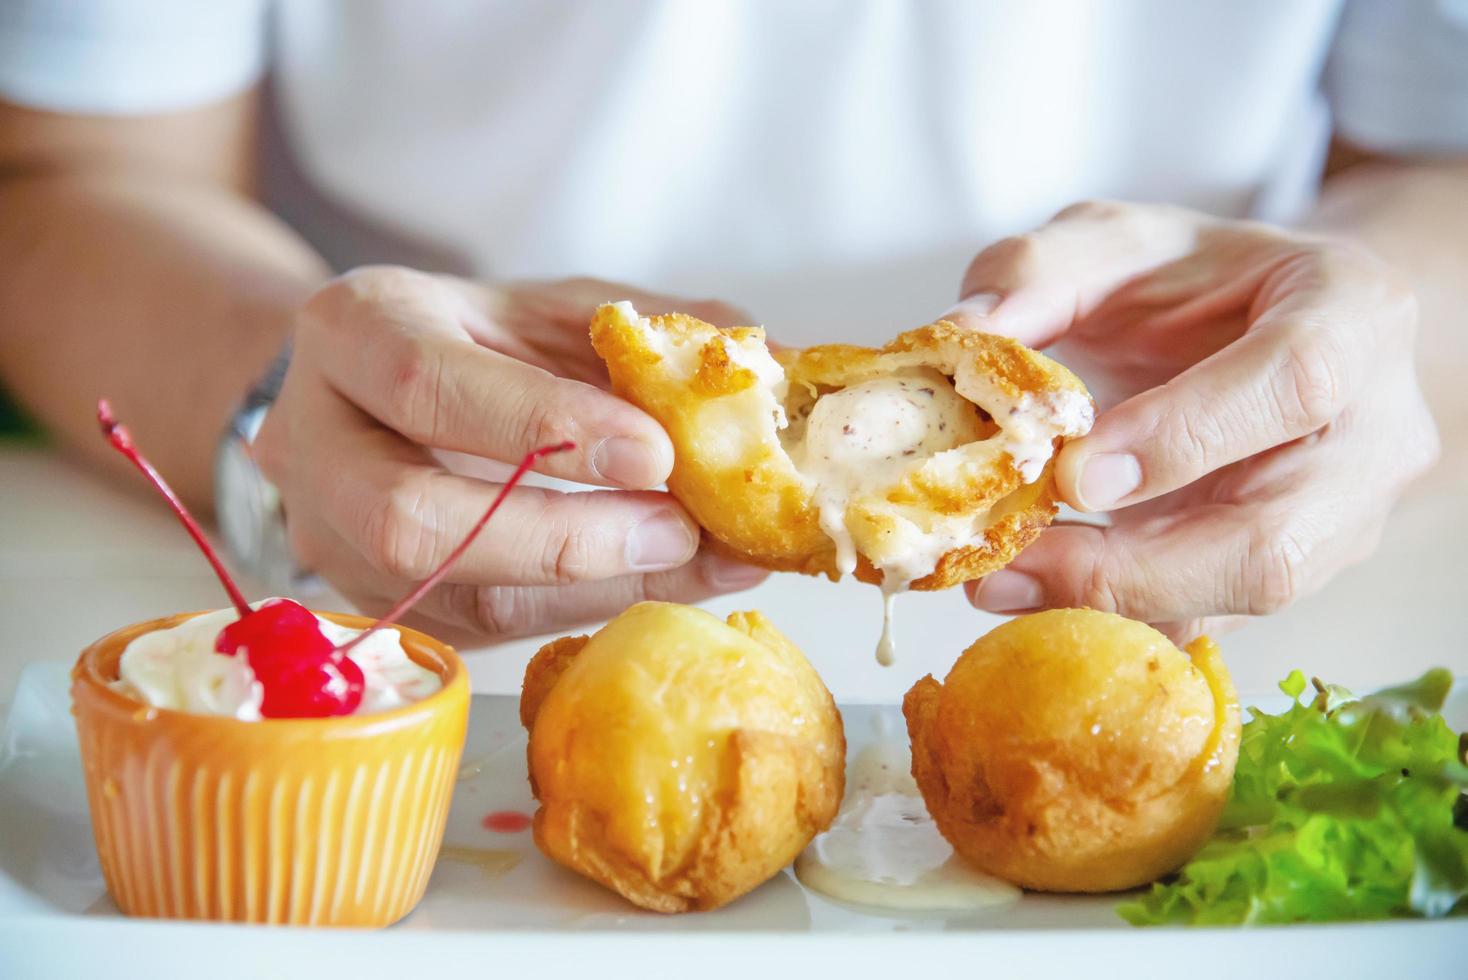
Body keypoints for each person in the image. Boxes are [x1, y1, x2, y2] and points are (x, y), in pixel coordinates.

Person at [0, 0, 1463, 651]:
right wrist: (281, 407)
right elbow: (63, 179)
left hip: (1252, 590)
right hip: (382, 621)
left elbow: (1440, 166)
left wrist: (1367, 343)